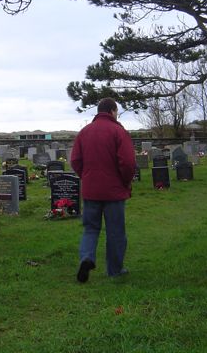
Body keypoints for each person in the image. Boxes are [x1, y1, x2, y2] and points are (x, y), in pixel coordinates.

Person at [70, 97, 136, 283]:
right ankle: (114, 270)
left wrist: (87, 176)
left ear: (98, 111)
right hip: (114, 192)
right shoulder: (118, 131)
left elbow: (75, 160)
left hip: (91, 190)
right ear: (112, 111)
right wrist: (125, 181)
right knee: (115, 231)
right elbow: (128, 163)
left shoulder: (84, 132)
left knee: (90, 228)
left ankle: (87, 258)